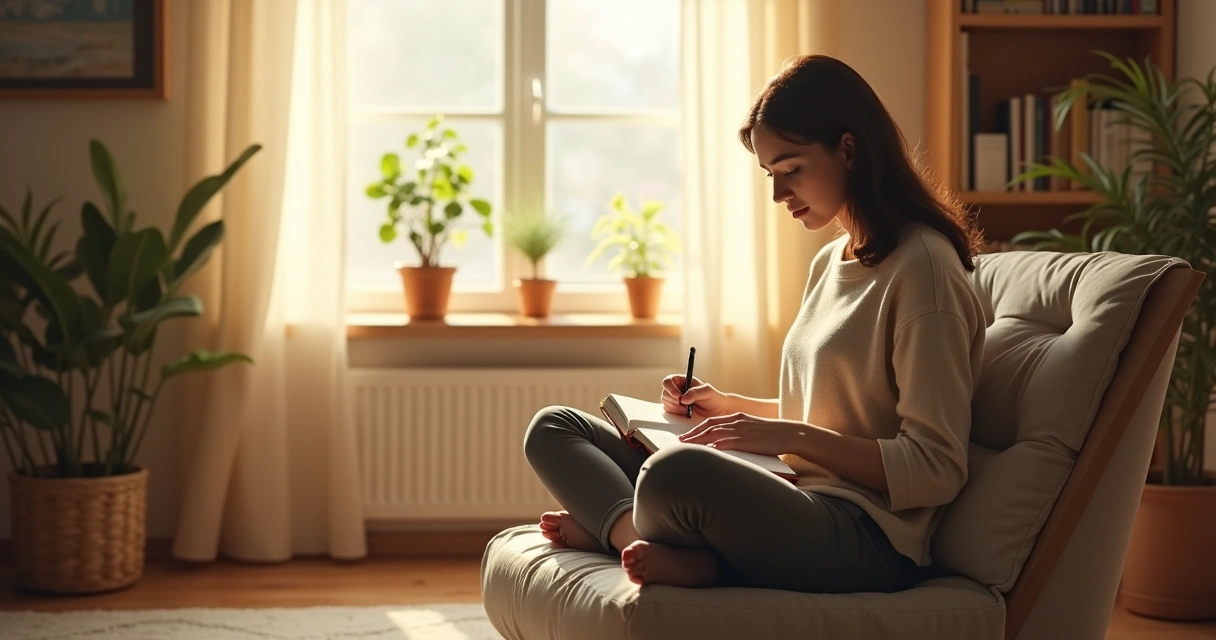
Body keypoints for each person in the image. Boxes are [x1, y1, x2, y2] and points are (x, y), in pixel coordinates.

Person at [522, 54, 986, 594]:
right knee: (555, 427)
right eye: (771, 174)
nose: (777, 194)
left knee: (676, 476)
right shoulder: (832, 260)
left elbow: (936, 466)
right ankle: (631, 535)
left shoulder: (925, 270)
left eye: (791, 170)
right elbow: (831, 412)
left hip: (864, 533)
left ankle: (643, 538)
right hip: (789, 493)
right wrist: (729, 407)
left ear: (849, 149)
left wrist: (787, 434)